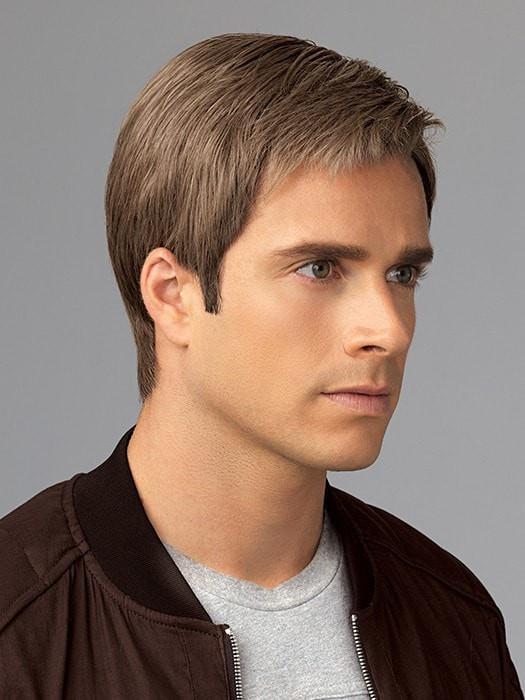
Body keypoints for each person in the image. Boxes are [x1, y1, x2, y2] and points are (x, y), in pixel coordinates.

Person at [0, 32, 522, 699]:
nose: (388, 331)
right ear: (173, 295)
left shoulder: (452, 618)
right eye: (319, 269)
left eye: (402, 274)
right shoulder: (19, 630)